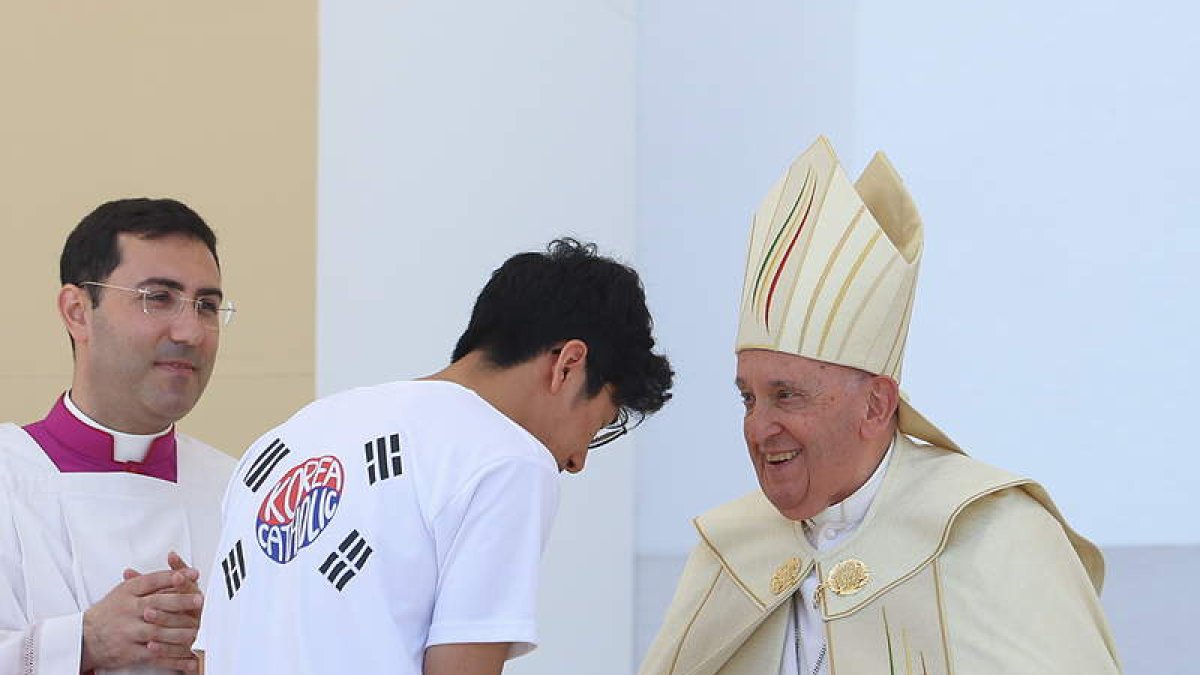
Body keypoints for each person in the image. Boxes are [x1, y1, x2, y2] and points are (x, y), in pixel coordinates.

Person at [640, 137, 1121, 674]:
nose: (758, 427)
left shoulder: (997, 535)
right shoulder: (730, 550)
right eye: (748, 398)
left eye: (786, 396)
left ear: (875, 405)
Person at [193, 238, 674, 675]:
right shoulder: (509, 459)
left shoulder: (287, 439)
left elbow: (209, 656)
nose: (576, 461)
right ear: (568, 366)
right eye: (596, 425)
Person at [0, 198, 238, 674]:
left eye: (207, 306)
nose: (191, 330)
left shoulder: (240, 491)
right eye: (158, 298)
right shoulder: (7, 475)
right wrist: (81, 644)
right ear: (77, 312)